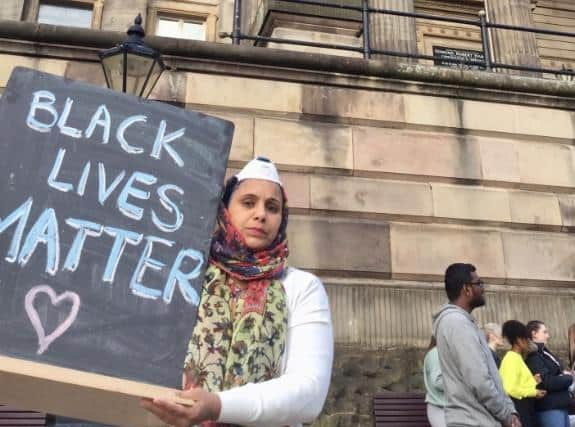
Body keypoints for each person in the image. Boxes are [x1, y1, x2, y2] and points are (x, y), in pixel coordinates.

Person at [141, 157, 334, 427]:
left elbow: (308, 393)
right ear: (225, 210)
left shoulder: (301, 287)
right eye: (248, 202)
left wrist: (217, 407)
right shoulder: (186, 274)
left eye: (272, 207)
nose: (260, 214)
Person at [432, 263, 521, 427]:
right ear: (467, 289)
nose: (483, 288)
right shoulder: (457, 324)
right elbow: (480, 381)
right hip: (473, 421)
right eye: (479, 283)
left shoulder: (465, 322)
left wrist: (510, 411)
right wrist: (506, 416)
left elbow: (492, 376)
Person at [525, 320, 573, 427]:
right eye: (545, 332)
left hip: (559, 405)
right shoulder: (533, 356)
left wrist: (563, 374)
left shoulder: (543, 352)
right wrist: (568, 378)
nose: (548, 335)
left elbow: (556, 372)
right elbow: (547, 381)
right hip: (550, 408)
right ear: (534, 334)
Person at [499, 320, 546, 427]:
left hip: (527, 408)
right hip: (520, 409)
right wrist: (533, 392)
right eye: (526, 338)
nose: (528, 342)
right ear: (518, 340)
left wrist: (533, 381)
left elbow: (519, 383)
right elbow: (509, 388)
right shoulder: (511, 359)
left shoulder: (518, 358)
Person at [423, 336, 446, 427]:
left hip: (448, 409)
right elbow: (438, 382)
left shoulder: (443, 353)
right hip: (440, 408)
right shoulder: (435, 353)